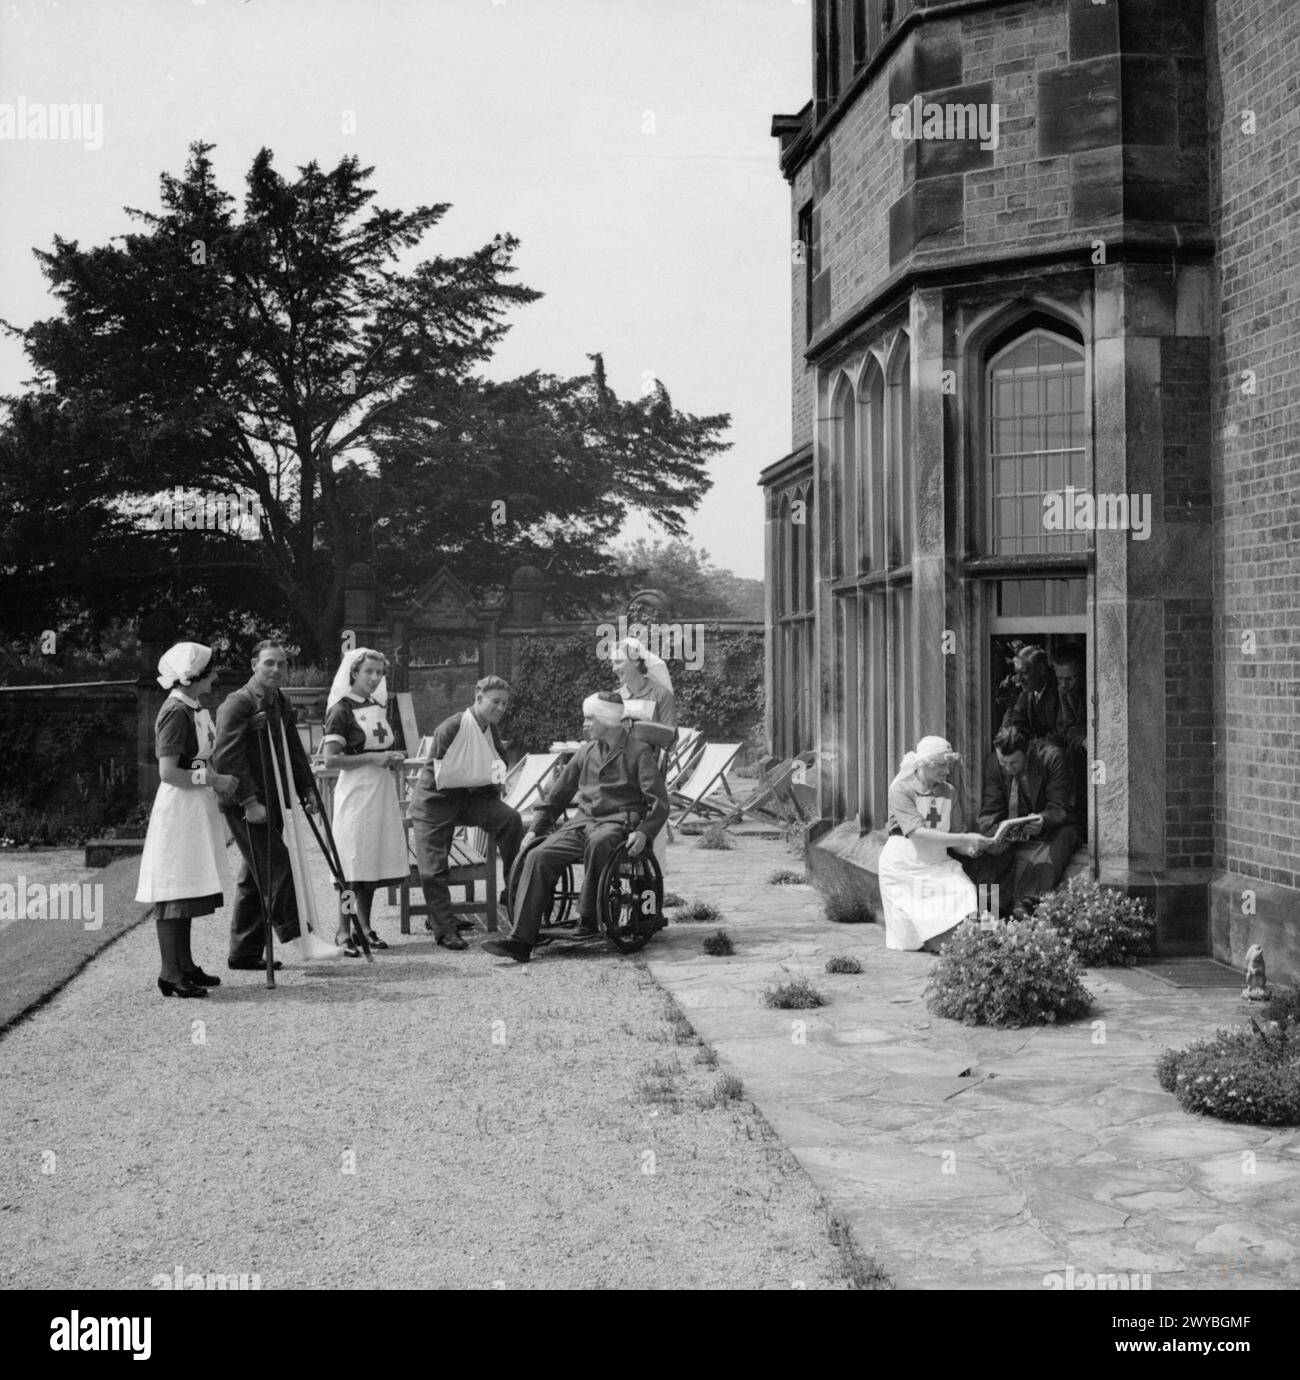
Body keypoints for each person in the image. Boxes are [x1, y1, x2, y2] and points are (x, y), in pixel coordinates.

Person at [483, 691, 670, 964]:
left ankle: (589, 917)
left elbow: (659, 803)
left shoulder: (638, 753)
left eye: (589, 718)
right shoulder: (586, 752)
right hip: (582, 824)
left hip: (617, 824)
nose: (584, 724)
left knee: (599, 842)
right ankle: (521, 939)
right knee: (538, 854)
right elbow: (556, 796)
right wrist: (535, 829)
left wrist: (644, 832)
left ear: (607, 719)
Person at [212, 640, 343, 969]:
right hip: (246, 802)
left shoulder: (280, 701)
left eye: (281, 664)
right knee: (276, 864)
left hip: (271, 798)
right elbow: (226, 758)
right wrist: (249, 801)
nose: (276, 669)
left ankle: (243, 952)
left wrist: (307, 789)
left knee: (257, 875)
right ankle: (303, 937)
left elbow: (294, 751)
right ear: (254, 664)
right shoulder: (237, 703)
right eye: (269, 663)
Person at [135, 642, 240, 998]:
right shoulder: (175, 712)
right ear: (195, 676)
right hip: (179, 808)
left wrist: (213, 778)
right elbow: (168, 772)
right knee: (175, 886)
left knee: (190, 884)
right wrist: (214, 780)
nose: (216, 675)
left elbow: (196, 761)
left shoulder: (193, 707)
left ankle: (185, 964)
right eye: (212, 670)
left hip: (196, 807)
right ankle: (169, 971)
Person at [405, 675, 525, 951]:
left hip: (470, 797)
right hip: (435, 800)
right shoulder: (452, 727)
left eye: (505, 703)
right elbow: (444, 774)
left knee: (511, 819)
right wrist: (484, 777)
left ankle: (513, 890)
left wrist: (496, 787)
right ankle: (444, 929)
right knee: (434, 868)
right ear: (478, 697)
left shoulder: (490, 729)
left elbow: (499, 761)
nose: (501, 708)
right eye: (495, 702)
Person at [320, 648, 407, 956]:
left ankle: (365, 926)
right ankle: (344, 931)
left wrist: (391, 760)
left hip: (380, 792)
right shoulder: (341, 710)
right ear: (353, 673)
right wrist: (374, 757)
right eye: (369, 671)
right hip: (355, 794)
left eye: (379, 673)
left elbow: (380, 746)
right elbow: (332, 759)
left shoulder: (377, 706)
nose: (374, 678)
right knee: (351, 866)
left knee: (370, 862)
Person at [877, 735, 993, 952]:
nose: (947, 771)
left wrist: (972, 848)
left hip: (939, 863)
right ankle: (955, 943)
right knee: (921, 921)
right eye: (941, 765)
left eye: (948, 765)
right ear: (924, 763)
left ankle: (985, 933)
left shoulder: (949, 792)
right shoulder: (901, 789)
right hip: (904, 867)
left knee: (966, 890)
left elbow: (957, 834)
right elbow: (917, 833)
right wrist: (964, 839)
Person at [961, 725, 1079, 917]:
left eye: (1014, 763)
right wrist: (989, 836)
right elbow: (991, 809)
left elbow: (1061, 806)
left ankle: (1024, 906)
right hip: (1012, 826)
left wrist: (1042, 820)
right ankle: (988, 914)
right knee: (988, 851)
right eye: (1003, 763)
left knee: (1063, 838)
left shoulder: (1052, 757)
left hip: (1051, 826)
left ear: (1028, 751)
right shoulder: (994, 763)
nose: (1008, 768)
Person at [613, 636, 677, 729]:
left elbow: (671, 736)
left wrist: (642, 725)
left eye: (618, 662)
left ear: (636, 661)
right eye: (613, 663)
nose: (613, 668)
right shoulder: (615, 698)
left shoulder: (661, 695)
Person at [1001, 645, 1060, 742]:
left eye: (1024, 672)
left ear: (1041, 669)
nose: (1019, 680)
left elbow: (1060, 734)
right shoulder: (1028, 690)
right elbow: (1017, 720)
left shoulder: (1059, 691)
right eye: (1017, 673)